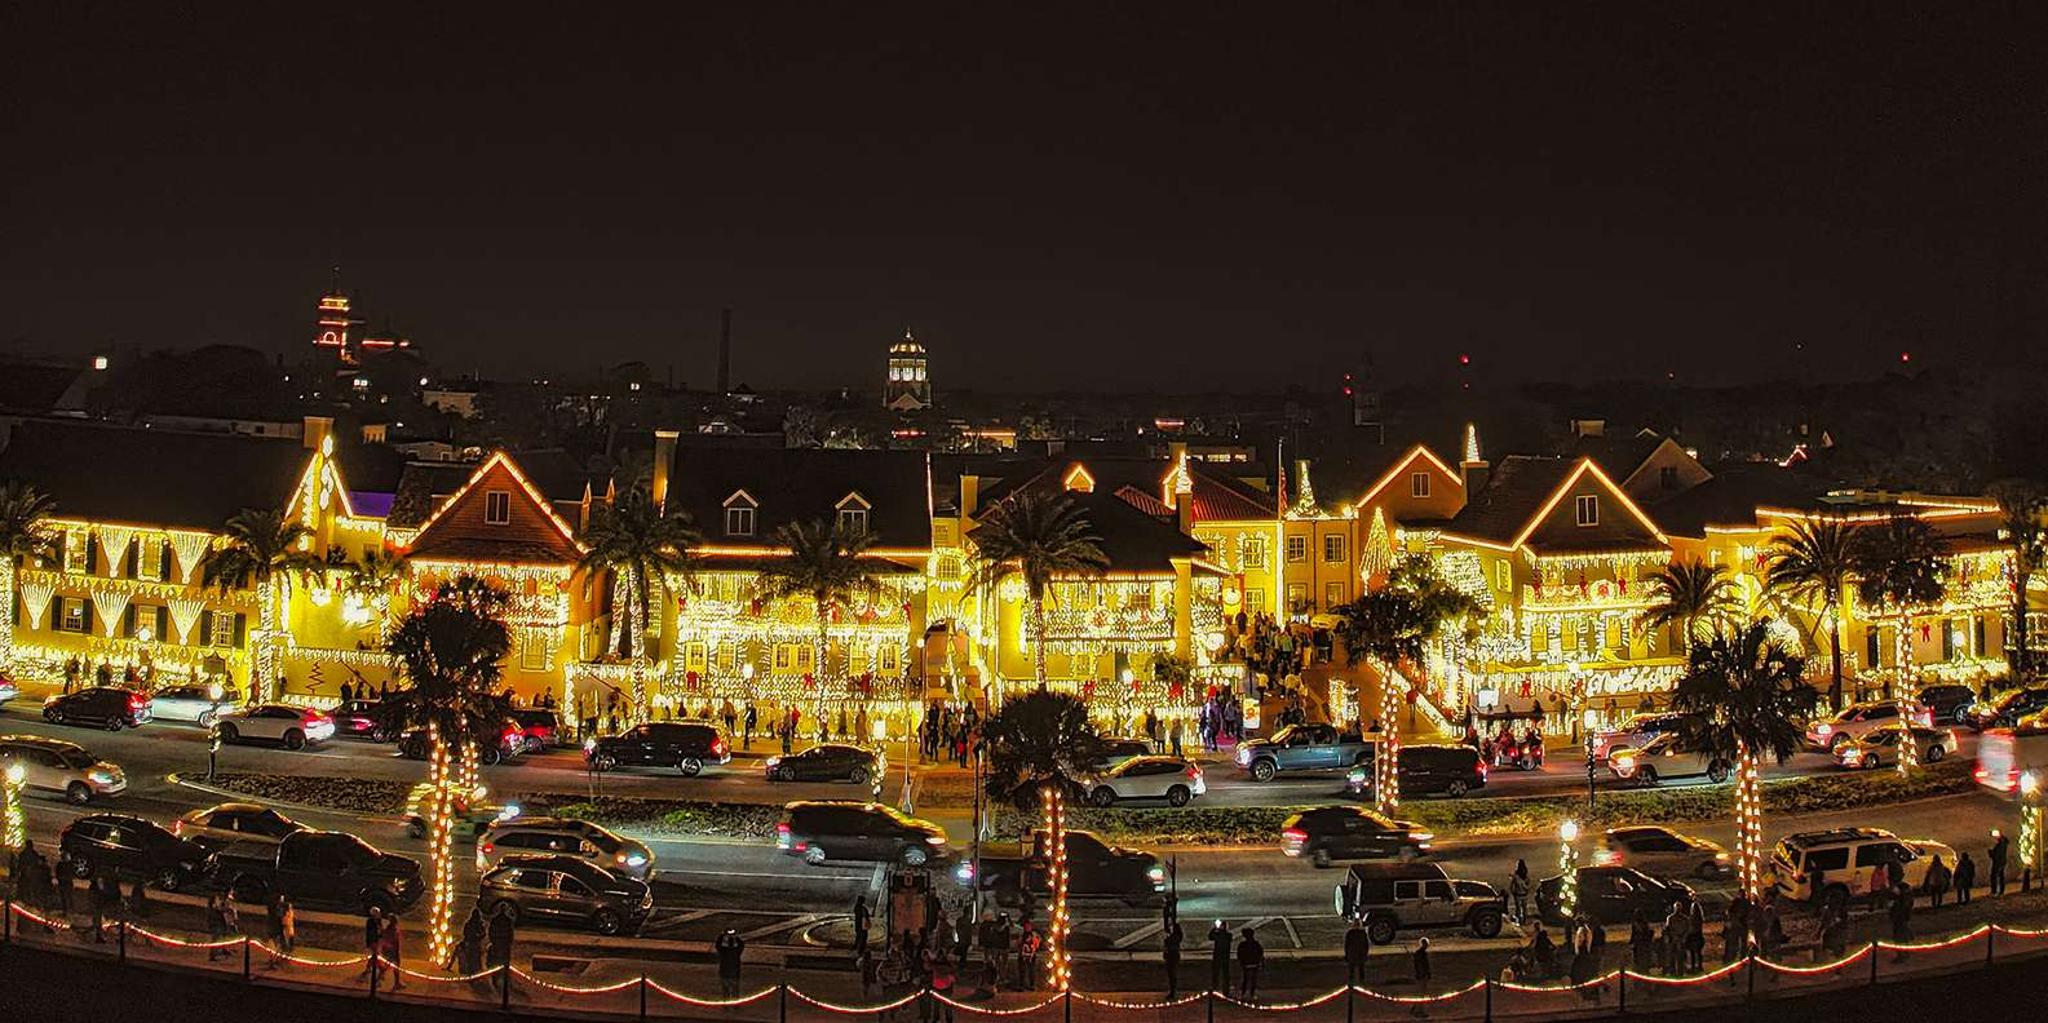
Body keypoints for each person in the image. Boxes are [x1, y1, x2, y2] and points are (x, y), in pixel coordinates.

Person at [206, 891, 236, 961]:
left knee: (223, 935)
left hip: (220, 920)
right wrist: (227, 909)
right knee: (216, 937)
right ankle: (212, 954)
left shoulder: (221, 898)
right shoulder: (216, 898)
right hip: (215, 921)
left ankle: (223, 949)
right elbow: (217, 908)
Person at [716, 927, 746, 998]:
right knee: (735, 990)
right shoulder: (736, 952)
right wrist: (736, 938)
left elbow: (718, 945)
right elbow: (741, 945)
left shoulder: (723, 951)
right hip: (735, 972)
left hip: (724, 972)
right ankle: (735, 1004)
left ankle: (726, 1004)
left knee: (725, 990)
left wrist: (722, 936)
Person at [1236, 926, 1264, 1001]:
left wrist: (1241, 962)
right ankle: (1252, 993)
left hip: (1246, 964)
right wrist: (1260, 962)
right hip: (1254, 963)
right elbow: (1260, 953)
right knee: (1253, 980)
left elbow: (1239, 954)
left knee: (1245, 979)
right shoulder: (1256, 944)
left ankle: (1243, 993)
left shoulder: (1242, 945)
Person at [380, 910, 405, 990]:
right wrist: (396, 951)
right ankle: (380, 978)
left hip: (389, 950)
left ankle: (396, 982)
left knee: (389, 965)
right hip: (392, 951)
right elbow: (394, 941)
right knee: (394, 966)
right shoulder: (392, 929)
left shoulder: (390, 928)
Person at [459, 907, 487, 975]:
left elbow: (465, 933)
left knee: (471, 957)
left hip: (471, 943)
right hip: (474, 943)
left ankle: (471, 971)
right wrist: (478, 937)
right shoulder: (478, 924)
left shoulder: (469, 923)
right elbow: (483, 933)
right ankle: (474, 971)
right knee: (475, 958)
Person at [1207, 920, 1232, 994]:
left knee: (1217, 972)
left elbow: (1210, 936)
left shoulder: (1219, 935)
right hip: (1225, 956)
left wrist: (1215, 929)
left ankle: (1216, 987)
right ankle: (1225, 989)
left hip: (1218, 955)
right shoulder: (1228, 935)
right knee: (1224, 973)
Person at [1723, 893, 1750, 962]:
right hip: (1741, 925)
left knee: (1734, 943)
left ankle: (1732, 957)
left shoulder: (1739, 903)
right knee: (1739, 943)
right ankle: (1739, 956)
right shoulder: (1745, 903)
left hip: (1739, 926)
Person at [1343, 918, 1371, 986]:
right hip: (1359, 952)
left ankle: (1352, 981)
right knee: (1360, 967)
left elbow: (1347, 944)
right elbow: (1366, 944)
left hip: (1353, 952)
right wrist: (1366, 953)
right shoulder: (1362, 933)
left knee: (1352, 968)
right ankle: (1360, 981)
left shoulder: (1350, 933)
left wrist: (1347, 954)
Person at [488, 902, 516, 968]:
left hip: (497, 942)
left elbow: (491, 931)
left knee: (496, 960)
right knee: (504, 960)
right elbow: (510, 932)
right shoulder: (508, 920)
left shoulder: (495, 920)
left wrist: (493, 940)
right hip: (504, 943)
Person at [361, 907, 384, 978]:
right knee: (375, 954)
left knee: (375, 955)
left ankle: (370, 968)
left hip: (376, 940)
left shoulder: (378, 921)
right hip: (372, 940)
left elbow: (380, 930)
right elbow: (370, 933)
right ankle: (380, 968)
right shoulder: (370, 921)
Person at [1163, 919, 1184, 998]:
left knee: (1172, 974)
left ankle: (1173, 991)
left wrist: (1167, 939)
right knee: (1171, 974)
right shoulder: (1174, 936)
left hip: (1173, 956)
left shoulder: (1175, 937)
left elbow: (1171, 945)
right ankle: (1172, 990)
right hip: (1171, 956)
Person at [1990, 830, 2011, 896]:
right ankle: (2000, 891)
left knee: (1995, 876)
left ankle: (1995, 891)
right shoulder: (2003, 845)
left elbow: (1996, 855)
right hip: (2002, 862)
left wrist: (1991, 853)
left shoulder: (2000, 846)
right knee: (2000, 876)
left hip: (1998, 862)